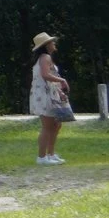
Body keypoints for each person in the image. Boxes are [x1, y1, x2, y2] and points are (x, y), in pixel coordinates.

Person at [29, 31, 75, 163]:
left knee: (56, 124)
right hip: (44, 95)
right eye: (51, 42)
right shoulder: (45, 57)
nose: (54, 43)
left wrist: (59, 91)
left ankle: (51, 154)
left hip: (49, 93)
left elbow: (49, 77)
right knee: (47, 126)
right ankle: (42, 157)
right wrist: (62, 80)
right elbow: (45, 75)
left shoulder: (44, 58)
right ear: (46, 45)